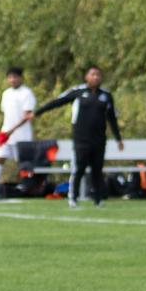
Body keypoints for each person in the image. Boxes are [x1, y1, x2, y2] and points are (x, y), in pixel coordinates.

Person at [29, 64, 124, 207]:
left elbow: (112, 119)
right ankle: (73, 197)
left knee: (97, 169)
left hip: (99, 139)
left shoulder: (106, 96)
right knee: (79, 168)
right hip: (81, 139)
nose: (95, 77)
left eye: (98, 75)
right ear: (87, 77)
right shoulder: (78, 92)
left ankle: (98, 199)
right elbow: (57, 101)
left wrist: (118, 139)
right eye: (92, 74)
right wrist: (38, 112)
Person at [0, 66, 36, 201]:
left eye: (15, 77)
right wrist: (5, 132)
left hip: (22, 137)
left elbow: (27, 116)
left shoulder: (27, 93)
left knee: (23, 165)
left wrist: (11, 131)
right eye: (10, 77)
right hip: (6, 135)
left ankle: (27, 191)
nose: (13, 80)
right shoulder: (6, 93)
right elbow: (7, 115)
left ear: (21, 78)